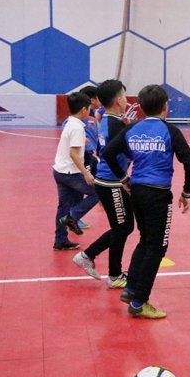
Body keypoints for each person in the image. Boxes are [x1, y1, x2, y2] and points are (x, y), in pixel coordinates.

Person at [102, 85, 190, 319]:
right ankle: (139, 301)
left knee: (145, 240)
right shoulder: (170, 131)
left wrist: (124, 179)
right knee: (157, 246)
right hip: (158, 194)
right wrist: (186, 192)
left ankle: (131, 288)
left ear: (142, 108)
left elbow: (108, 153)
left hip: (137, 191)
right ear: (166, 106)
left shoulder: (132, 128)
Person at [71, 79, 136, 288]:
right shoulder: (115, 124)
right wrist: (124, 179)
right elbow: (111, 153)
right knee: (122, 227)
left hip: (108, 181)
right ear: (118, 101)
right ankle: (114, 275)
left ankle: (88, 255)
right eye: (124, 96)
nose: (126, 100)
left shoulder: (108, 120)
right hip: (111, 183)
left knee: (124, 226)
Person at [53, 92, 100, 251]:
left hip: (60, 171)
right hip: (70, 173)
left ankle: (60, 240)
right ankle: (72, 218)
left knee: (63, 207)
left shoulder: (70, 123)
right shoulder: (78, 127)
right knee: (97, 192)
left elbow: (71, 145)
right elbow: (73, 154)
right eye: (89, 108)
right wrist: (86, 173)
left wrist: (82, 141)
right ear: (83, 110)